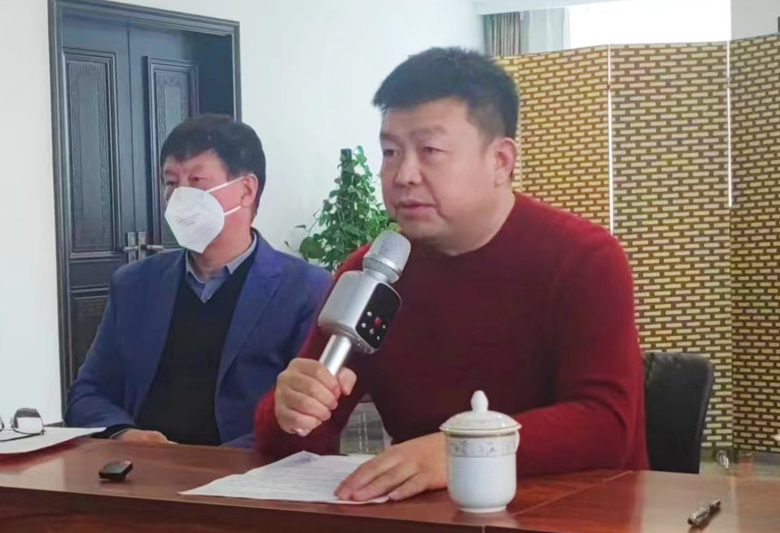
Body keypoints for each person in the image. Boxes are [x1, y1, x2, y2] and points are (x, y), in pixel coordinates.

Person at [254, 48, 648, 501]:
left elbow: (606, 424)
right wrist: (290, 410)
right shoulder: (372, 272)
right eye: (390, 152)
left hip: (577, 510)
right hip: (431, 514)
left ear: (501, 161)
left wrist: (462, 450)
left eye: (431, 151)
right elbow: (295, 445)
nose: (403, 175)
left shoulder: (583, 259)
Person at [65, 114, 330, 448]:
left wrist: (210, 465)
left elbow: (310, 417)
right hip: (144, 467)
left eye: (196, 182)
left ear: (246, 190)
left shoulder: (305, 289)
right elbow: (87, 394)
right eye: (171, 183)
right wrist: (125, 434)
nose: (179, 197)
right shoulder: (134, 284)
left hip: (248, 471)